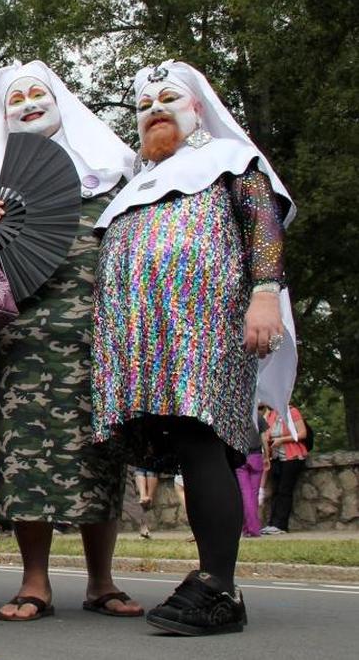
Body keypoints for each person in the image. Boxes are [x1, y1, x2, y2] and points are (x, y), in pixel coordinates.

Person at [92, 60, 296, 635]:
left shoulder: (232, 161)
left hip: (207, 329)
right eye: (145, 102)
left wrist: (265, 296)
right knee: (185, 442)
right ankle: (212, 581)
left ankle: (219, 587)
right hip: (146, 341)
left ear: (198, 107)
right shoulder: (134, 181)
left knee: (205, 441)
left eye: (168, 97)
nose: (155, 107)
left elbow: (264, 228)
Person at [0, 60, 141, 622]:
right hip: (22, 343)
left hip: (98, 336)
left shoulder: (111, 173)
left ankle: (102, 581)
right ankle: (34, 582)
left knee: (101, 454)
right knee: (25, 457)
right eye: (13, 98)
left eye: (36, 92)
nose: (26, 102)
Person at [262, 404, 308, 535]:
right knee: (276, 490)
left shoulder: (292, 412)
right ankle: (272, 523)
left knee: (284, 490)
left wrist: (282, 440)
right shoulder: (271, 415)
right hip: (277, 458)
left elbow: (302, 433)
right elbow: (266, 434)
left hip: (292, 456)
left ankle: (281, 524)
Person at [236, 409, 270, 537]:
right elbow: (264, 438)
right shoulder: (258, 416)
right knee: (254, 494)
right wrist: (267, 456)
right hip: (256, 456)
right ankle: (252, 528)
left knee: (245, 494)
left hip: (240, 456)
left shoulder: (236, 415)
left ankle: (250, 529)